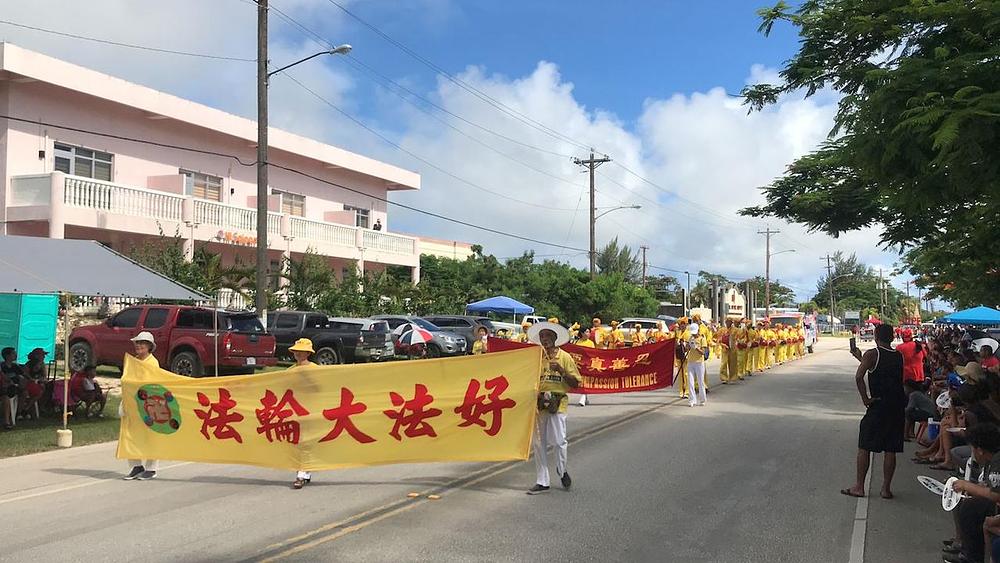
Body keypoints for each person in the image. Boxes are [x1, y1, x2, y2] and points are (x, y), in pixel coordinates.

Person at [841, 323, 905, 500]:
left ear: (876, 336)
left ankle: (859, 486)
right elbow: (880, 370)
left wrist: (865, 399)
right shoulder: (898, 356)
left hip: (878, 404)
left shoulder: (872, 354)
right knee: (891, 448)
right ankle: (886, 488)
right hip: (896, 405)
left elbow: (859, 376)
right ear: (892, 337)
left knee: (865, 445)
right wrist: (860, 358)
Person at [526, 322, 581, 495]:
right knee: (538, 443)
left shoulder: (565, 357)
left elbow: (576, 383)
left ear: (555, 338)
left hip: (558, 402)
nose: (545, 339)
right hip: (539, 403)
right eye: (542, 336)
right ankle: (542, 481)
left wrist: (562, 371)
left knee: (558, 441)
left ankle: (562, 470)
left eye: (548, 335)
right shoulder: (537, 358)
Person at [947, 424, 1000, 563]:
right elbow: (990, 485)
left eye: (973, 449)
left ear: (980, 450)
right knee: (962, 500)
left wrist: (968, 486)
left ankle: (972, 558)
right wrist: (973, 488)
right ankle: (963, 546)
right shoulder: (990, 460)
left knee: (971, 508)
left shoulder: (997, 460)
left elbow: (996, 494)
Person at [124, 332, 161, 481]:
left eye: (142, 343)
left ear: (149, 346)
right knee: (131, 434)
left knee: (150, 436)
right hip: (133, 402)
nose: (139, 346)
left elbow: (152, 385)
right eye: (137, 343)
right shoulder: (133, 362)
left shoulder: (152, 363)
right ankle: (136, 466)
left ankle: (151, 468)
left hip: (148, 403)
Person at [287, 338, 319, 490]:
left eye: (301, 351)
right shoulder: (290, 371)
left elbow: (319, 388)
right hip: (293, 412)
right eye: (296, 351)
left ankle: (302, 474)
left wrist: (305, 378)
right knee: (297, 443)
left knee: (305, 442)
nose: (298, 354)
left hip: (310, 411)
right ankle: (305, 471)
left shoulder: (315, 370)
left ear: (308, 353)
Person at [21, 348, 48, 419]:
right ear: (36, 356)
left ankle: (28, 408)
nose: (44, 357)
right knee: (40, 390)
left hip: (39, 383)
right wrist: (33, 379)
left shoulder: (42, 364)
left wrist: (41, 380)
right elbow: (25, 375)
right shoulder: (28, 364)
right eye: (42, 355)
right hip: (29, 384)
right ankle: (26, 409)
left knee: (48, 387)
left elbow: (44, 376)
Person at [686, 324, 708, 407]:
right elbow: (687, 349)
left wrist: (696, 347)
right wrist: (688, 345)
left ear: (698, 330)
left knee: (700, 382)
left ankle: (702, 399)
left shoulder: (702, 339)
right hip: (690, 361)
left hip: (699, 362)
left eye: (694, 333)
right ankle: (692, 400)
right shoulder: (690, 338)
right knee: (690, 382)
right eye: (692, 333)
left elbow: (703, 352)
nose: (693, 334)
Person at [1, 347, 23, 429]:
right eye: (13, 353)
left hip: (11, 388)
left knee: (6, 397)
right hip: (5, 387)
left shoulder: (15, 366)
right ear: (7, 356)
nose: (16, 355)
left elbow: (23, 376)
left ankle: (8, 421)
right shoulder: (2, 366)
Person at [575, 328, 595, 407]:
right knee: (581, 381)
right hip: (579, 365)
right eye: (586, 332)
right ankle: (585, 397)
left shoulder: (590, 343)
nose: (588, 333)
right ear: (582, 333)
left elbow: (593, 354)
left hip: (587, 365)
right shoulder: (577, 342)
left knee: (585, 381)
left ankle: (583, 397)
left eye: (589, 332)